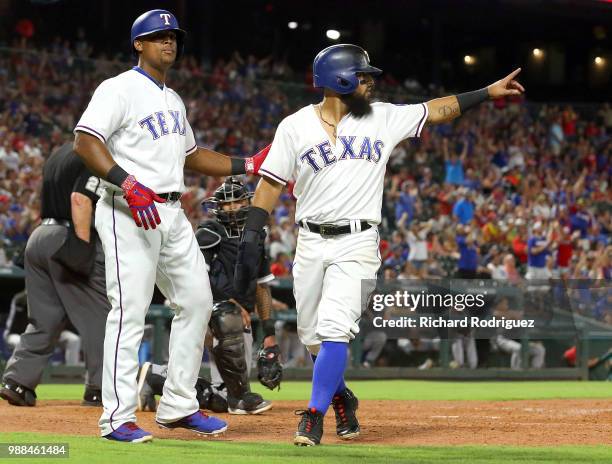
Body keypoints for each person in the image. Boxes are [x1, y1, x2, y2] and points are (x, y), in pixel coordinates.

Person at [234, 43, 525, 446]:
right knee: (312, 337)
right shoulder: (294, 126)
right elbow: (270, 185)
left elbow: (435, 109)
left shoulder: (382, 117)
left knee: (335, 328)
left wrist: (485, 93)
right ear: (339, 79)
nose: (370, 82)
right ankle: (342, 397)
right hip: (310, 242)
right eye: (362, 75)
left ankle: (314, 416)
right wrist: (252, 233)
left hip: (358, 242)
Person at [72, 9, 269, 443]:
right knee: (130, 311)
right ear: (138, 44)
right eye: (158, 36)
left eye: (173, 36)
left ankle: (179, 405)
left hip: (171, 210)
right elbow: (86, 141)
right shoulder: (118, 88)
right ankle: (116, 418)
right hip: (127, 208)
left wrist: (248, 163)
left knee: (199, 302)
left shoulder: (174, 100)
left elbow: (192, 157)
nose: (168, 42)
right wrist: (127, 182)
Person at [136, 177, 281, 415]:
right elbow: (195, 280)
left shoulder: (256, 235)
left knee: (220, 396)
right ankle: (239, 397)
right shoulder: (209, 232)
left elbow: (262, 288)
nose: (233, 208)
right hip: (205, 309)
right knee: (228, 316)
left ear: (248, 202)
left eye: (238, 202)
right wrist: (228, 305)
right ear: (218, 207)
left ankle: (156, 376)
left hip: (236, 317)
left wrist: (270, 335)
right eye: (227, 204)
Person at [0, 142, 108, 408]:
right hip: (71, 235)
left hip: (40, 236)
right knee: (102, 316)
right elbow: (81, 199)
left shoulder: (60, 152)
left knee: (44, 320)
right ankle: (101, 388)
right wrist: (81, 247)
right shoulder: (96, 152)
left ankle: (18, 381)